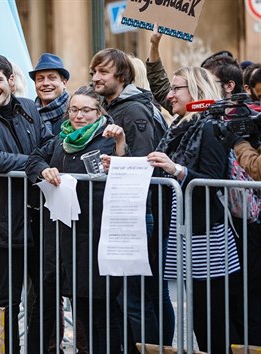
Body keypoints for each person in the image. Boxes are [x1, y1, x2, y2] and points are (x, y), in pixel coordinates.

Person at [147, 66, 243, 354]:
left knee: (211, 316)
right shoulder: (179, 125)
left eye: (178, 88)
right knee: (199, 314)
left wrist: (176, 169)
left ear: (197, 92)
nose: (170, 94)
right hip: (184, 228)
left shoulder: (210, 127)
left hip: (206, 232)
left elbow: (213, 177)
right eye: (172, 88)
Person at [27, 86, 127, 354]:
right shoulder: (62, 139)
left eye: (86, 110)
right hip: (62, 235)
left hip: (94, 234)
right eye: (74, 110)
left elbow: (126, 171)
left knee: (100, 309)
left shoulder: (108, 137)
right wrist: (43, 169)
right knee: (79, 306)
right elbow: (35, 158)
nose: (79, 116)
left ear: (98, 112)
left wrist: (120, 148)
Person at [0, 54, 54, 354]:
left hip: (39, 220)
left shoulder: (30, 108)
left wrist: (38, 162)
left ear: (11, 80)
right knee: (5, 301)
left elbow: (49, 144)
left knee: (44, 297)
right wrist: (35, 164)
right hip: (4, 226)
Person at [90, 48, 171, 350]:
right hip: (135, 211)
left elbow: (144, 162)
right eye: (94, 72)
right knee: (147, 292)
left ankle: (154, 346)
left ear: (121, 76)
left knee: (141, 296)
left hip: (141, 212)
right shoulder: (118, 105)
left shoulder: (133, 110)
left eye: (103, 72)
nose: (96, 77)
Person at [29, 53, 70, 136]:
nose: (45, 83)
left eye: (52, 78)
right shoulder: (27, 116)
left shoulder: (75, 113)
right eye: (40, 79)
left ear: (64, 83)